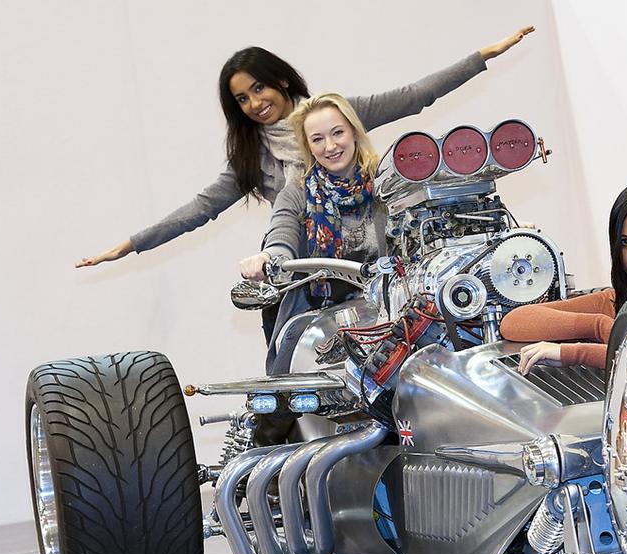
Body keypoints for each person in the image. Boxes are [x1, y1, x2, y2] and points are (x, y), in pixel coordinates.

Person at [75, 27, 535, 269]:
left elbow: (415, 96)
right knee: (287, 360)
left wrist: (482, 57)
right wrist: (132, 244)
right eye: (242, 99)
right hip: (304, 270)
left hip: (379, 258)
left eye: (258, 88)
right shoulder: (254, 160)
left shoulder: (335, 114)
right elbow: (201, 209)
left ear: (280, 80)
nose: (255, 103)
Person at [501, 182, 627, 374]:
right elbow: (513, 322)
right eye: (625, 242)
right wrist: (599, 325)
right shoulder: (612, 302)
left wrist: (576, 353)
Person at [250, 92, 383, 373]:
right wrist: (268, 256)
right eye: (318, 139)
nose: (330, 146)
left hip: (388, 308)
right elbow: (282, 232)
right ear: (308, 146)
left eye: (338, 133)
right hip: (317, 313)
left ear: (354, 132)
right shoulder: (297, 193)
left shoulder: (387, 181)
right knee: (283, 384)